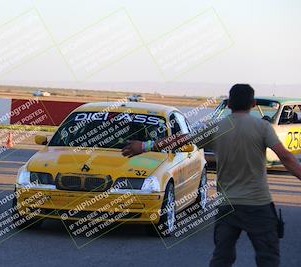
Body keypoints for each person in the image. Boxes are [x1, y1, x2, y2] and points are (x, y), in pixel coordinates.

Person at [122, 84, 301, 267]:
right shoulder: (263, 127)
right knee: (268, 258)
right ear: (253, 104)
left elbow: (180, 141)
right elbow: (286, 158)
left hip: (228, 206)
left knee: (222, 258)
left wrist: (145, 147)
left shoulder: (216, 127)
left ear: (229, 104)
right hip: (259, 204)